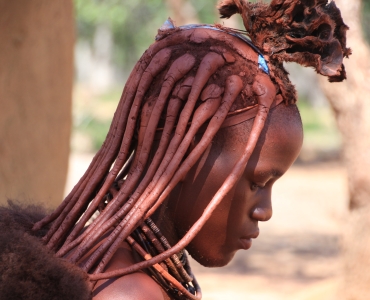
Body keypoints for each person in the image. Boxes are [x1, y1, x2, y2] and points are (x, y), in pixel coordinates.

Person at [0, 0, 350, 299]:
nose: (265, 212)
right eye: (257, 183)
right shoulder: (131, 293)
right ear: (188, 159)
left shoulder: (101, 262)